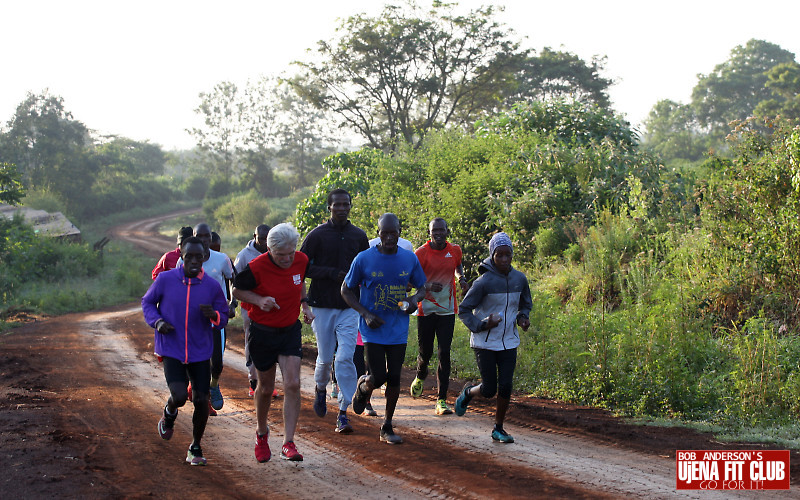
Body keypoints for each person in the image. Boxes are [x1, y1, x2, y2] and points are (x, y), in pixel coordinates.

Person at [142, 236, 230, 466]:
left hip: (200, 351)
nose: (193, 260)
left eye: (198, 256)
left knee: (201, 398)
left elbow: (223, 316)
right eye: (188, 255)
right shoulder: (165, 279)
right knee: (180, 396)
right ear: (181, 255)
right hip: (171, 347)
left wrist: (215, 316)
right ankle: (169, 412)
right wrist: (158, 322)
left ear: (205, 257)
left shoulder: (211, 286)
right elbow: (147, 303)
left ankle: (195, 446)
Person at [341, 213, 427, 444]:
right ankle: (363, 386)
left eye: (393, 232)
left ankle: (387, 425)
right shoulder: (363, 259)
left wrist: (413, 301)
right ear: (378, 233)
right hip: (373, 328)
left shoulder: (409, 259)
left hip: (398, 327)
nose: (389, 237)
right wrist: (365, 314)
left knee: (395, 378)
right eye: (384, 233)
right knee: (378, 376)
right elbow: (346, 290)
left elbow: (422, 287)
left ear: (399, 232)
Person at [233, 223, 314, 462]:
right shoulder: (256, 267)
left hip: (289, 330)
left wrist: (305, 306)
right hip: (263, 332)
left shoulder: (301, 260)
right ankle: (261, 433)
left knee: (293, 383)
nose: (288, 258)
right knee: (266, 388)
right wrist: (259, 300)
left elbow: (299, 282)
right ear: (269, 250)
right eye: (282, 255)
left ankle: (288, 442)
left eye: (291, 252)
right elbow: (237, 291)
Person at [300, 189, 369, 434]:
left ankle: (343, 412)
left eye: (346, 204)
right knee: (325, 358)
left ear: (350, 206)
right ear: (329, 207)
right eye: (337, 204)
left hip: (349, 307)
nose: (342, 208)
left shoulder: (359, 236)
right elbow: (303, 267)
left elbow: (365, 267)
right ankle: (320, 389)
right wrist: (330, 273)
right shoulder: (317, 235)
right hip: (322, 305)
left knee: (345, 358)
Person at [455, 232, 532, 444]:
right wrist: (481, 325)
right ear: (492, 255)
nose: (505, 260)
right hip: (485, 342)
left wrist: (523, 318)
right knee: (489, 389)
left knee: (506, 386)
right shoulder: (483, 283)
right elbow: (463, 310)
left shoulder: (519, 279)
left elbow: (525, 304)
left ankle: (498, 428)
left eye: (508, 255)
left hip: (509, 341)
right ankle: (469, 392)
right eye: (500, 255)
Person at [410, 218, 469, 415]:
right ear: (429, 233)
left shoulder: (455, 250)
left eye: (441, 230)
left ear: (447, 231)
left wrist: (461, 279)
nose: (438, 233)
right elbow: (410, 281)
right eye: (434, 230)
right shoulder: (421, 254)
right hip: (425, 309)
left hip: (447, 309)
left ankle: (441, 400)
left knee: (444, 353)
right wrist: (426, 286)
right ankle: (420, 374)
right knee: (425, 352)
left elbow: (458, 266)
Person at [179, 224, 236, 416]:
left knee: (217, 362)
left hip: (215, 317)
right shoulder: (184, 262)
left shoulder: (222, 259)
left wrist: (232, 303)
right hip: (192, 319)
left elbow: (233, 281)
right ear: (192, 237)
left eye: (207, 236)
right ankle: (197, 393)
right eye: (199, 236)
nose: (204, 239)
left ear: (211, 239)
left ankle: (213, 385)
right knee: (193, 359)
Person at [233, 224, 274, 397]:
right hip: (250, 306)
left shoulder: (275, 252)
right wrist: (232, 302)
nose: (264, 242)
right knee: (252, 340)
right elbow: (234, 281)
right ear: (254, 236)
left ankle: (268, 382)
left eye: (268, 238)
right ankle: (253, 380)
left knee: (272, 342)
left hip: (271, 306)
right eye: (261, 238)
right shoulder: (244, 256)